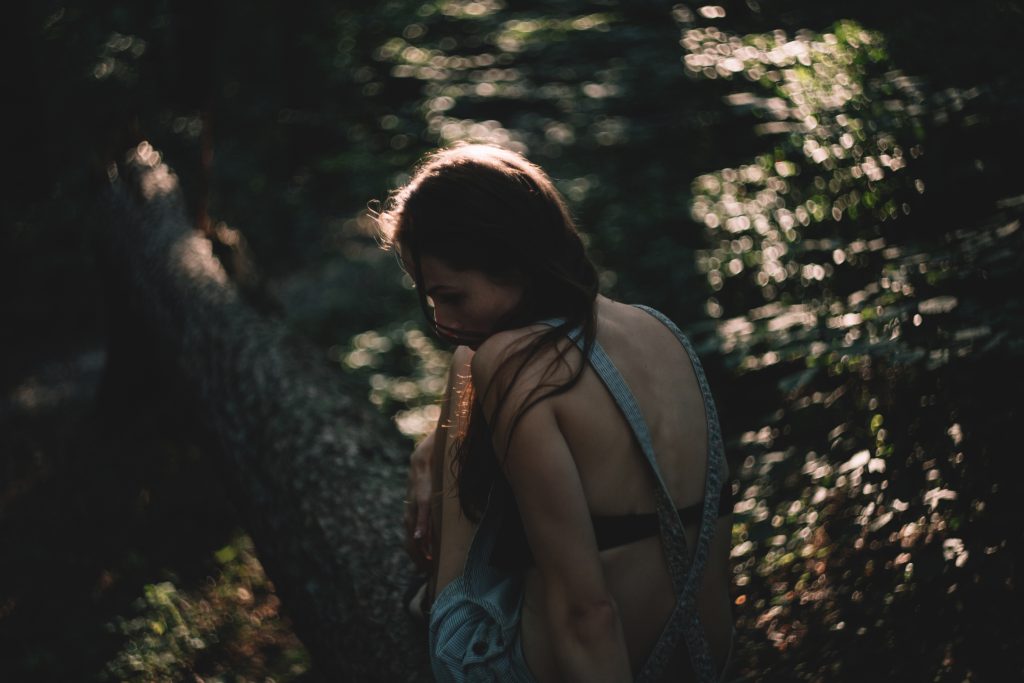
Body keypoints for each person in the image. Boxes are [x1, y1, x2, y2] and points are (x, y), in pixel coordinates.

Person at [378, 143, 735, 682]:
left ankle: (432, 601)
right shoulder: (659, 330)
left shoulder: (508, 361)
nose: (442, 321)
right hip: (705, 661)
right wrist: (436, 448)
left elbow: (586, 611)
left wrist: (444, 445)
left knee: (464, 363)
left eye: (450, 297)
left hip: (595, 664)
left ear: (512, 264)